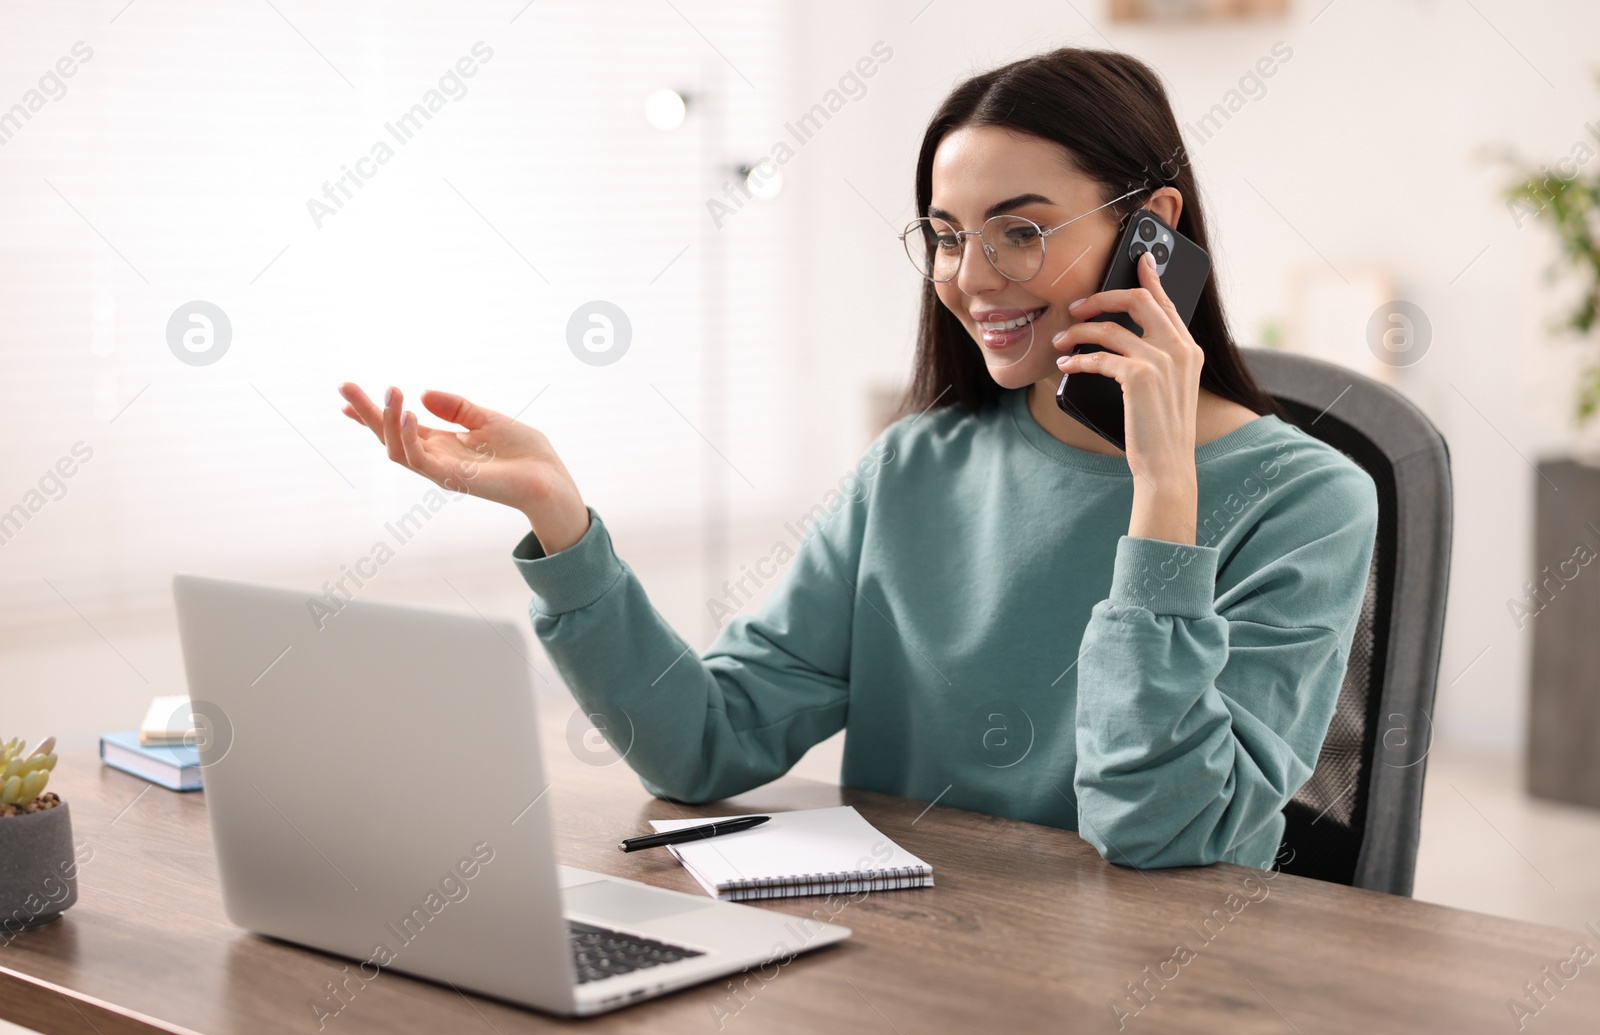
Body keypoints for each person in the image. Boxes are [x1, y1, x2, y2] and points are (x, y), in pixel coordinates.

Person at [338, 47, 1378, 871]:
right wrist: (562, 521)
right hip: (909, 980)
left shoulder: (1310, 499)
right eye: (944, 235)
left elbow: (1163, 834)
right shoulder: (916, 467)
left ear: (1150, 232)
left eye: (1019, 232)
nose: (973, 280)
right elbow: (703, 745)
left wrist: (1161, 498)